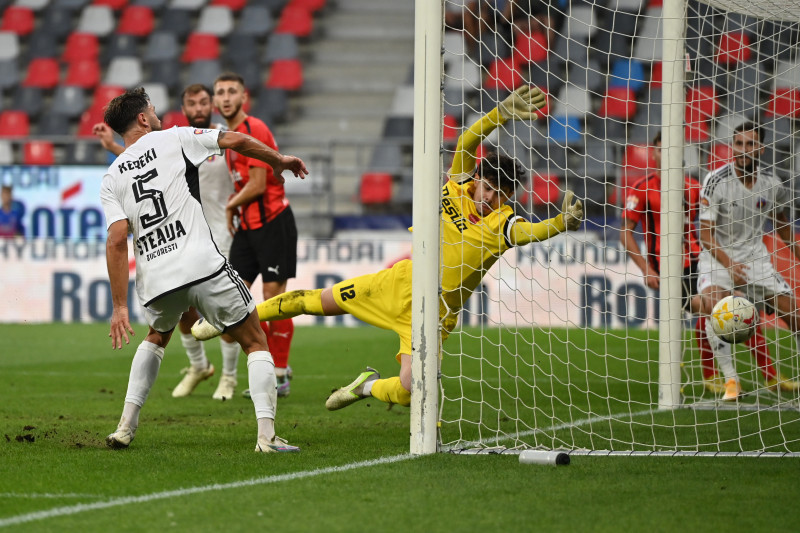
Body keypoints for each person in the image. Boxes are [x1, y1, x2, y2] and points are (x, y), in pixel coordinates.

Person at [193, 85, 584, 411]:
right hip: (398, 285)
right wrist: (498, 114)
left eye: (499, 195)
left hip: (432, 317)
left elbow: (531, 232)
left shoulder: (504, 224)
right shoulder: (456, 184)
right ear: (477, 180)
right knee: (312, 300)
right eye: (487, 189)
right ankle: (229, 318)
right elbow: (467, 141)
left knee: (412, 389)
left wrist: (561, 224)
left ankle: (365, 387)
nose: (489, 199)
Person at [100, 87, 307, 452]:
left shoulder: (111, 177)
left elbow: (117, 240)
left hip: (158, 277)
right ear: (143, 119)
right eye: (152, 108)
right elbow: (237, 139)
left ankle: (124, 427)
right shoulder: (176, 138)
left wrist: (119, 306)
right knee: (255, 340)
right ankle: (266, 437)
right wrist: (278, 160)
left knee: (157, 336)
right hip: (201, 265)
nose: (157, 113)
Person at [94, 84, 241, 401]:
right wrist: (116, 148)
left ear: (211, 105)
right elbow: (147, 172)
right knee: (184, 310)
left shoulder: (210, 137)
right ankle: (199, 366)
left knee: (227, 313)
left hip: (220, 231)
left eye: (204, 102)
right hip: (184, 234)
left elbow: (243, 162)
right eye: (192, 102)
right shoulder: (173, 139)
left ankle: (229, 377)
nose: (199, 107)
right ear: (185, 106)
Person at [619, 132, 782, 395]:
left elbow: (712, 223)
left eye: (673, 149)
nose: (667, 154)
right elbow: (625, 233)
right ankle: (718, 376)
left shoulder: (695, 187)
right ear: (654, 153)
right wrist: (645, 269)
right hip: (667, 268)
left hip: (700, 260)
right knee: (722, 309)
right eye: (662, 149)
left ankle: (755, 376)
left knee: (732, 308)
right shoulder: (641, 189)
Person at [698, 121, 800, 401]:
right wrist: (729, 264)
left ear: (761, 148)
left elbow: (784, 229)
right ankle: (731, 380)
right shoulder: (715, 181)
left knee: (795, 314)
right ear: (732, 147)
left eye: (751, 144)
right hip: (718, 257)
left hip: (755, 259)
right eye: (739, 144)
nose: (744, 150)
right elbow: (704, 234)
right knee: (713, 305)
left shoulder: (773, 185)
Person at [213, 72, 298, 399]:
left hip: (273, 223)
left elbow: (259, 184)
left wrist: (231, 205)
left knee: (273, 302)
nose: (225, 97)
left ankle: (279, 372)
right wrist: (236, 207)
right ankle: (254, 368)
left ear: (243, 97)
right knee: (233, 300)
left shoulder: (255, 129)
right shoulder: (230, 137)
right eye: (220, 92)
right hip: (248, 230)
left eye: (232, 91)